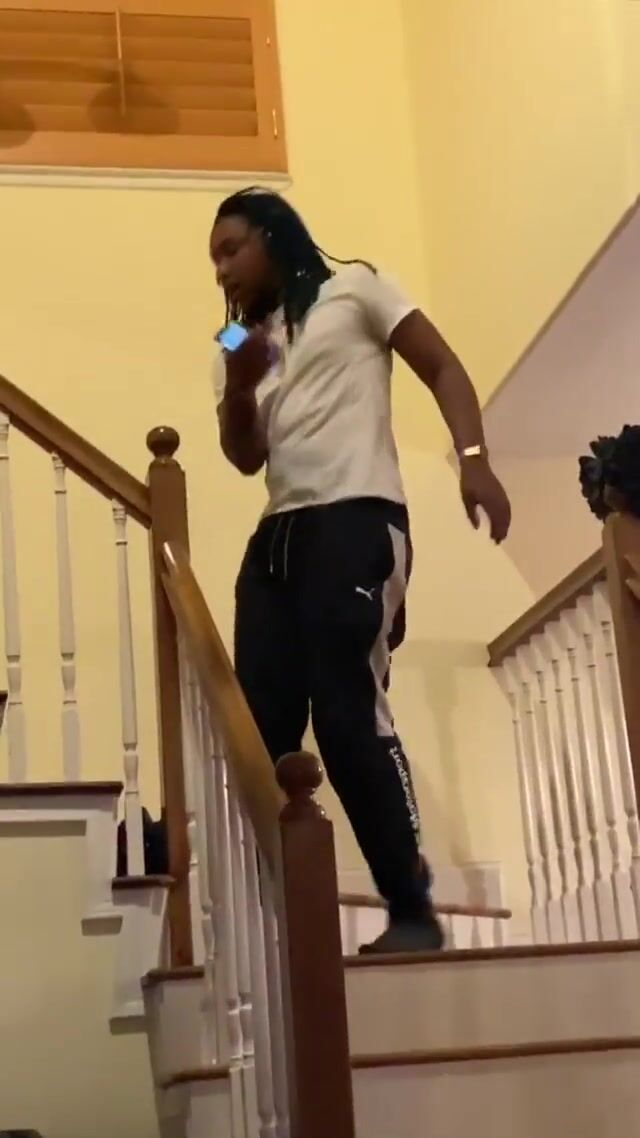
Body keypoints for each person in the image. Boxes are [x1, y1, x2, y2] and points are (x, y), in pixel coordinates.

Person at [210, 188, 511, 954]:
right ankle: (270, 924)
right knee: (262, 733)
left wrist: (474, 461)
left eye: (231, 250)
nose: (221, 271)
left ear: (273, 236)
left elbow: (442, 365)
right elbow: (243, 456)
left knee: (346, 713)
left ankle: (412, 911)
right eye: (213, 261)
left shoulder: (356, 287)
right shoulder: (235, 336)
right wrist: (239, 384)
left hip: (356, 517)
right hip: (276, 538)